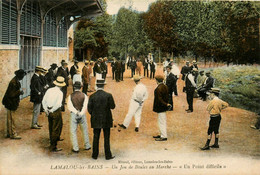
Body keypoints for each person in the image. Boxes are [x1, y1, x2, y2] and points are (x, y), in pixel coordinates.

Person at [88, 79, 116, 160]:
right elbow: (113, 106)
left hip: (96, 119)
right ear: (104, 85)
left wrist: (95, 114)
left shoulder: (92, 96)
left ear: (97, 86)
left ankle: (94, 155)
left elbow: (89, 109)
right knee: (106, 137)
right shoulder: (108, 95)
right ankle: (108, 155)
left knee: (96, 137)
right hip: (106, 119)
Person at [42, 76, 66, 152]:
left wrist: (46, 110)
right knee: (56, 127)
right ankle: (53, 146)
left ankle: (52, 140)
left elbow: (44, 100)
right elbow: (58, 104)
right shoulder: (60, 93)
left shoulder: (49, 90)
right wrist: (52, 110)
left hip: (48, 110)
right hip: (55, 111)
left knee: (51, 126)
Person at [2, 69, 26, 139]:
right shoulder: (14, 82)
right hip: (11, 102)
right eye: (23, 75)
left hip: (9, 102)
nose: (23, 77)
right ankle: (13, 134)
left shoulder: (15, 80)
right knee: (12, 119)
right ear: (20, 75)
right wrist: (19, 92)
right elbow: (11, 94)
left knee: (9, 118)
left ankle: (9, 133)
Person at [68, 82, 91, 153]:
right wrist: (81, 113)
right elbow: (85, 106)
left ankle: (76, 148)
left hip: (74, 114)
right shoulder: (84, 95)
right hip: (82, 114)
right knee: (84, 130)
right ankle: (87, 145)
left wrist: (76, 112)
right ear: (81, 87)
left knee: (73, 131)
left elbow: (69, 107)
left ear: (74, 87)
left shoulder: (70, 96)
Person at [152, 75, 171, 141]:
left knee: (161, 122)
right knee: (161, 121)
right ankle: (161, 134)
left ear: (157, 80)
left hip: (160, 107)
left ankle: (163, 136)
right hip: (163, 107)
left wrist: (165, 104)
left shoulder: (159, 88)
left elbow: (159, 99)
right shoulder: (165, 86)